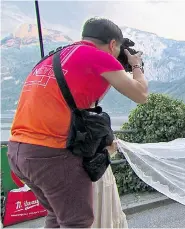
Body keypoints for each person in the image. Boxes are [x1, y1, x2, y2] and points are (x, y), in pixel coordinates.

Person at [7, 17, 147, 228]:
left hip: (18, 152)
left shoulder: (57, 55)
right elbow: (141, 95)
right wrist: (135, 65)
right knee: (77, 222)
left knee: (56, 215)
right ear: (112, 45)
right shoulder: (98, 56)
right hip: (51, 154)